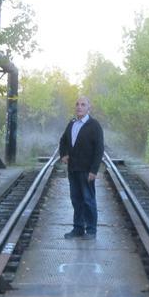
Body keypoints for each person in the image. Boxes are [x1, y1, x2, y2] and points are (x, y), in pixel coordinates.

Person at [58, 95, 104, 240]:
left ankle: (91, 230)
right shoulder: (72, 123)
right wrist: (63, 154)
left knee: (88, 200)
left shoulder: (94, 125)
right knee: (76, 199)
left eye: (83, 104)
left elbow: (99, 149)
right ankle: (78, 228)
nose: (79, 107)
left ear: (89, 108)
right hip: (73, 169)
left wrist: (94, 170)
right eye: (77, 104)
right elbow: (63, 141)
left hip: (86, 170)